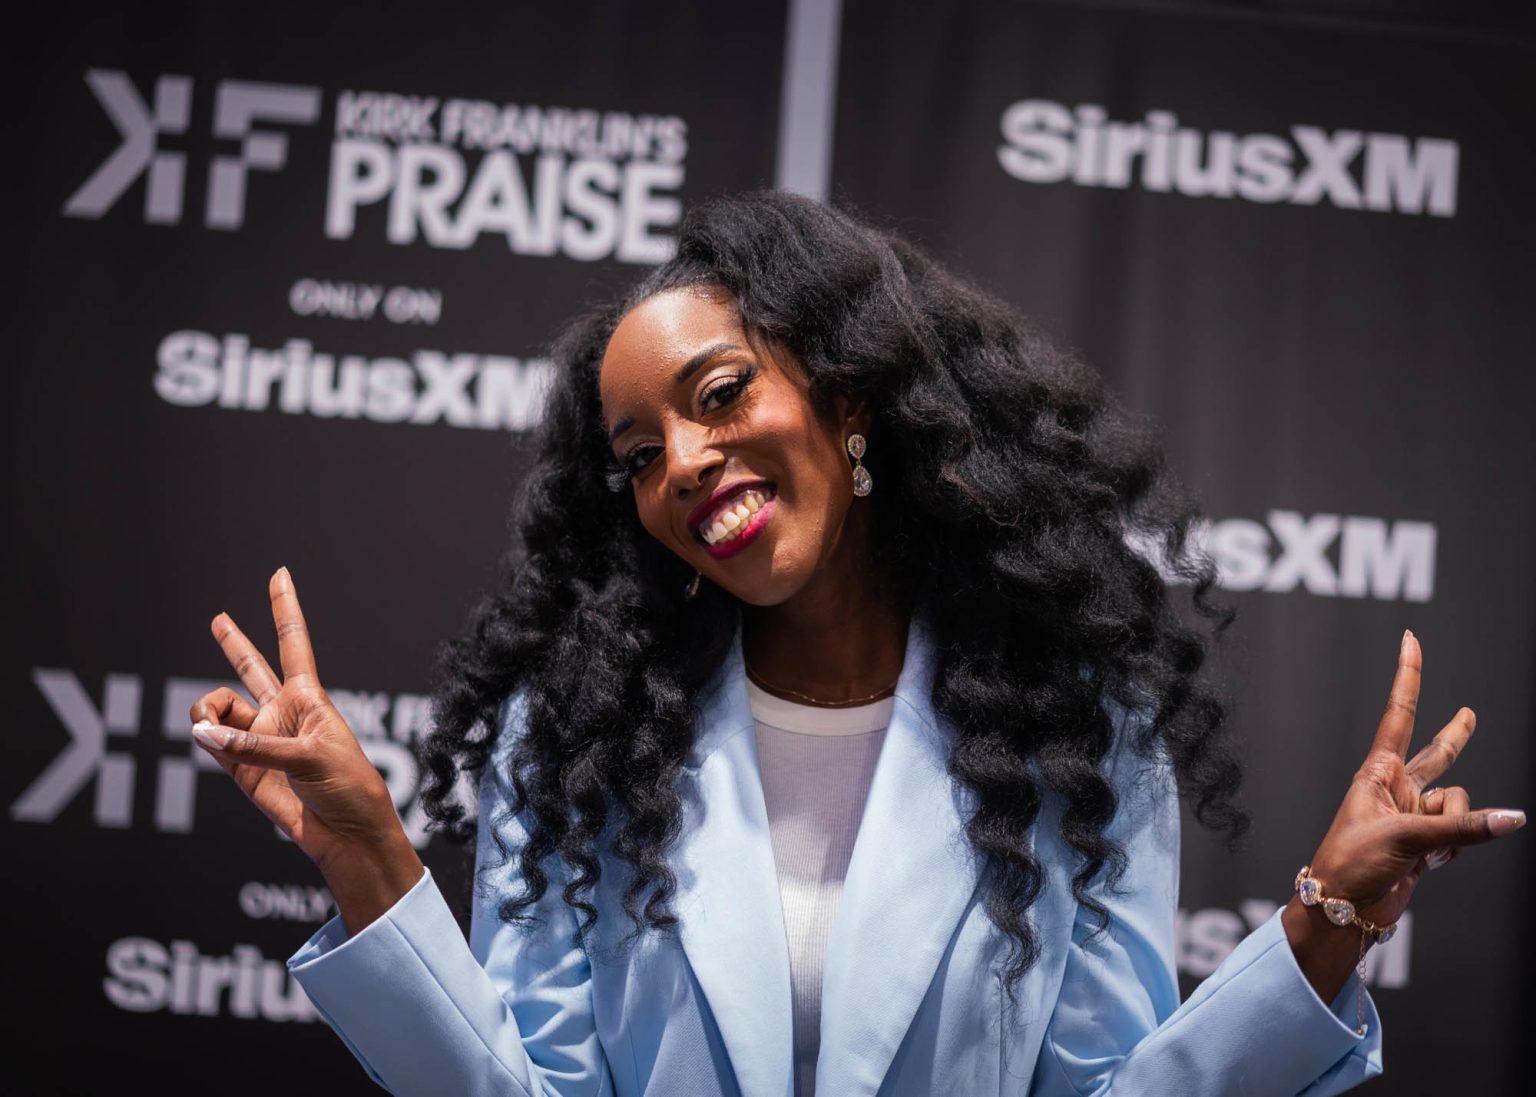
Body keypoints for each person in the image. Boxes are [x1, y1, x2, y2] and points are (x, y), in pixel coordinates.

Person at [188, 191, 1523, 1097]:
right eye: (641, 455)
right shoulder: (581, 741)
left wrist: (1322, 927)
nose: (688, 464)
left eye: (720, 396)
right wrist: (373, 861)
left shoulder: (1072, 729)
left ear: (846, 396)